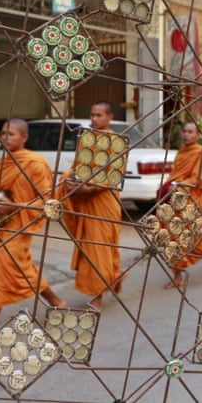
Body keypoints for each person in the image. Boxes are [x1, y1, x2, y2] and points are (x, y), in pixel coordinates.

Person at [0, 118, 66, 346]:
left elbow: (48, 202)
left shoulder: (36, 163)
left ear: (24, 137)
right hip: (1, 224)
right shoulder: (0, 165)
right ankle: (55, 301)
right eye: (3, 133)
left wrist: (13, 207)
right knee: (22, 268)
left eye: (11, 134)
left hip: (21, 224)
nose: (5, 137)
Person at [57, 101, 123, 311]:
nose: (94, 119)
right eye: (92, 115)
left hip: (104, 202)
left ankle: (97, 299)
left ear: (109, 117)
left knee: (99, 249)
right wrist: (68, 181)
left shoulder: (116, 141)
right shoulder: (86, 139)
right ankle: (114, 275)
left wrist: (90, 189)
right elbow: (76, 167)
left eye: (99, 115)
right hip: (85, 201)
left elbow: (114, 177)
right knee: (93, 249)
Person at [159, 121, 202, 288]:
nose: (186, 135)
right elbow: (175, 174)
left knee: (192, 236)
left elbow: (198, 179)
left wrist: (178, 185)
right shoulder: (182, 152)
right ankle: (178, 275)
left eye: (191, 132)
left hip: (189, 198)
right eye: (184, 131)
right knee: (171, 237)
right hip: (173, 198)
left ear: (198, 135)